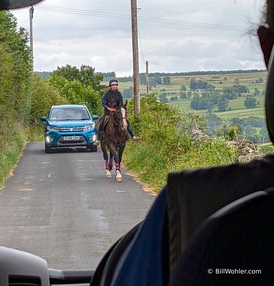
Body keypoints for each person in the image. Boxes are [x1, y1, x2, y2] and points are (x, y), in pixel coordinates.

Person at [110, 1, 274, 285]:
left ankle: (131, 135)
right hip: (108, 112)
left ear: (266, 47)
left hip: (120, 112)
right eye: (112, 86)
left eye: (115, 86)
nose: (113, 88)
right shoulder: (107, 97)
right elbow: (109, 105)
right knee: (108, 121)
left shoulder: (185, 208)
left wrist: (121, 114)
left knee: (125, 123)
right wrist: (109, 111)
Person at [94, 79, 140, 145]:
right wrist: (109, 108)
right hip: (108, 112)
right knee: (101, 123)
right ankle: (98, 139)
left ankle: (133, 136)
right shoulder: (107, 94)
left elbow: (121, 103)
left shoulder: (119, 94)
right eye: (113, 85)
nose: (115, 86)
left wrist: (118, 109)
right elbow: (103, 103)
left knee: (126, 122)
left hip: (117, 112)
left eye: (116, 85)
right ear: (110, 86)